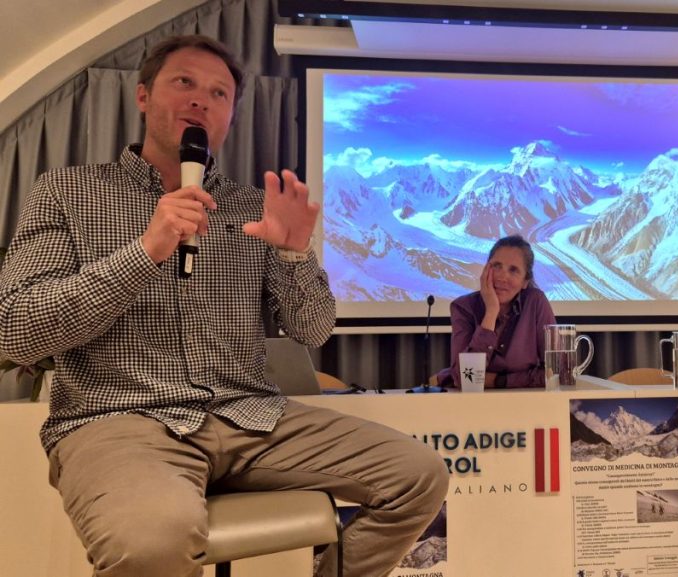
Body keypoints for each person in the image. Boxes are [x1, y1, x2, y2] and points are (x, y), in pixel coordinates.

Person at [0, 35, 448, 577]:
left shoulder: (251, 208)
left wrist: (293, 254)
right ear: (142, 96)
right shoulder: (68, 192)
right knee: (151, 542)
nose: (201, 100)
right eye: (183, 82)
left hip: (250, 416)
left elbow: (314, 327)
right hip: (119, 419)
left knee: (419, 475)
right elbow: (17, 332)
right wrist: (145, 252)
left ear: (230, 117)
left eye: (219, 93)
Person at [437, 235, 556, 388]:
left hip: (526, 404)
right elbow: (465, 379)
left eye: (513, 270)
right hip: (474, 406)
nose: (502, 277)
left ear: (525, 282)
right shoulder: (463, 307)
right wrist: (491, 312)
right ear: (486, 269)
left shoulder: (535, 301)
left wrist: (497, 381)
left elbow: (554, 373)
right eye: (497, 266)